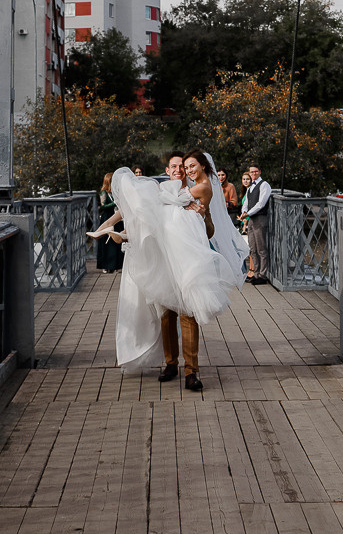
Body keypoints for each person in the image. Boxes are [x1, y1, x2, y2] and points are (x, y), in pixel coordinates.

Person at [90, 150, 247, 390]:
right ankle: (171, 363)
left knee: (189, 314)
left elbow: (210, 231)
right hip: (163, 259)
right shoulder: (164, 190)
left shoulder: (194, 191)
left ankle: (191, 371)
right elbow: (142, 208)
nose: (179, 170)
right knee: (166, 315)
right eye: (175, 167)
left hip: (186, 260)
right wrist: (112, 222)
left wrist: (204, 216)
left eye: (183, 167)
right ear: (168, 170)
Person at [242, 164, 272, 284]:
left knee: (261, 249)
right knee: (253, 248)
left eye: (255, 172)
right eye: (251, 172)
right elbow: (246, 203)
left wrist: (248, 213)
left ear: (260, 172)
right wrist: (244, 213)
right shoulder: (250, 188)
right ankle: (256, 272)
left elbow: (261, 204)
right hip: (251, 220)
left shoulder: (264, 185)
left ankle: (263, 275)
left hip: (260, 218)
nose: (253, 174)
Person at [96, 172, 123, 273]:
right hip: (107, 218)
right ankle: (106, 265)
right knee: (106, 243)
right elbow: (103, 206)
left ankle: (117, 265)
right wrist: (114, 203)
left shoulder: (116, 192)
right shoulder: (104, 192)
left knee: (116, 241)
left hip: (117, 218)